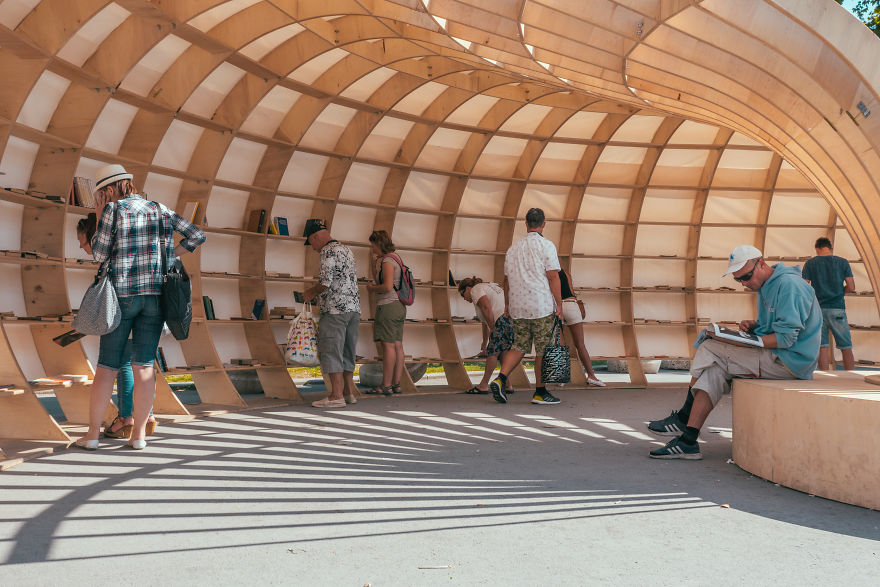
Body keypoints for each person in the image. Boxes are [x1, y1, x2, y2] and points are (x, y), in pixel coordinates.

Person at [647, 244, 821, 460]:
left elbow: (786, 339)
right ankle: (688, 441)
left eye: (746, 276)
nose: (744, 284)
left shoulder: (789, 285)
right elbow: (780, 324)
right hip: (779, 356)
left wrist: (745, 343)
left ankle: (683, 417)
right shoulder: (766, 284)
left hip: (789, 362)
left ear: (762, 264)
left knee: (710, 346)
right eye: (738, 280)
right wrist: (755, 326)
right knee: (714, 370)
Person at [75, 164, 205, 451]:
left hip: (122, 297)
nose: (100, 200)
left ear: (110, 189)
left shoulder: (113, 210)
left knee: (107, 367)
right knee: (144, 366)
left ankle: (92, 436)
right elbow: (197, 235)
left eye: (101, 194)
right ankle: (139, 437)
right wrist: (170, 253)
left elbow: (98, 253)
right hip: (156, 299)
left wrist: (99, 216)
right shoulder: (159, 208)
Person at [76, 214, 157, 439]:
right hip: (151, 299)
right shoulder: (136, 239)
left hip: (125, 302)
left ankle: (124, 419)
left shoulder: (109, 253)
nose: (81, 246)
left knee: (117, 362)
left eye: (83, 241)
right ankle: (146, 417)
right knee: (143, 362)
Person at [489, 207, 563, 405]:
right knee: (543, 349)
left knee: (519, 346)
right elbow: (553, 276)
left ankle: (501, 378)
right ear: (544, 224)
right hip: (541, 306)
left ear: (526, 223)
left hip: (518, 306)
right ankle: (540, 392)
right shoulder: (546, 246)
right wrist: (559, 304)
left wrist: (507, 304)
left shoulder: (513, 249)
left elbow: (506, 280)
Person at [302, 219, 360, 408]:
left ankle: (336, 396)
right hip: (353, 309)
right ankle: (348, 392)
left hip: (335, 309)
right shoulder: (346, 249)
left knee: (332, 349)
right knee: (348, 351)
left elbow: (325, 282)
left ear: (316, 237)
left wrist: (310, 293)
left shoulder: (327, 251)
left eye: (311, 243)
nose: (313, 249)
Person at [802, 237, 856, 370]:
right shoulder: (843, 262)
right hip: (837, 308)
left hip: (818, 310)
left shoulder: (810, 263)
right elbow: (852, 287)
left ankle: (826, 377)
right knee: (846, 347)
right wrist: (841, 292)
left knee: (822, 347)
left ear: (817, 249)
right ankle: (851, 375)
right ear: (831, 248)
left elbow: (804, 287)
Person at [457, 276, 515, 395]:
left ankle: (483, 385)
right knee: (502, 352)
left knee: (492, 353)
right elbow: (485, 320)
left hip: (501, 319)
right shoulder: (488, 286)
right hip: (509, 319)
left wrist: (493, 328)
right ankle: (508, 384)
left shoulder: (475, 290)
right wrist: (484, 343)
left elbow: (486, 307)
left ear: (467, 288)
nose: (464, 298)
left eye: (462, 295)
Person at [365, 230, 405, 396]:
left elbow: (386, 286)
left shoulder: (388, 261)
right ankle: (396, 384)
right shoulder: (397, 258)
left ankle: (385, 385)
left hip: (388, 306)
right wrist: (375, 265)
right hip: (399, 306)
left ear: (378, 244)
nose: (372, 248)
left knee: (387, 346)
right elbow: (382, 279)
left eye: (373, 245)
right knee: (397, 345)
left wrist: (372, 289)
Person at [558, 268, 605, 387]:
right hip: (571, 304)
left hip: (557, 306)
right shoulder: (566, 274)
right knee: (580, 344)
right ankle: (591, 376)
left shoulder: (549, 273)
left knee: (560, 344)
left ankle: (562, 378)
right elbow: (572, 292)